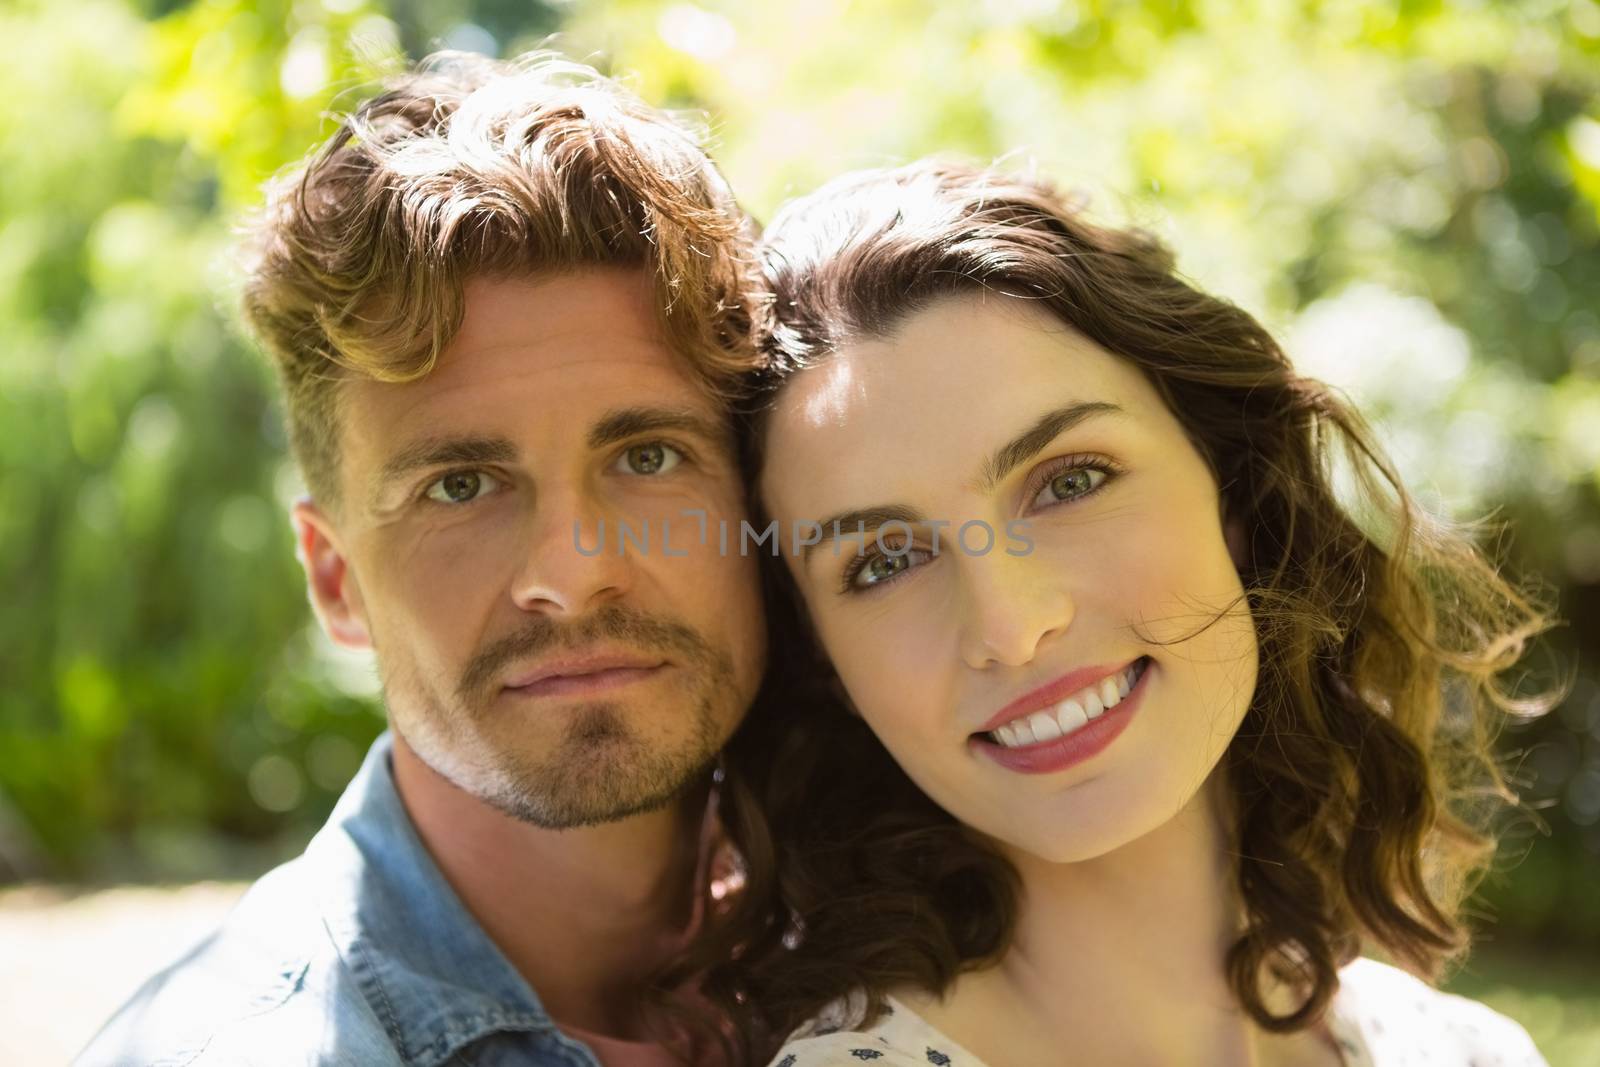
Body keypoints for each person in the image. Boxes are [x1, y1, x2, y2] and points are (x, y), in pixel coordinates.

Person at [695, 161, 1560, 1065]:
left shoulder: (1461, 1050)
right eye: (884, 560)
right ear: (828, 662)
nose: (1010, 624)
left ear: (1232, 489)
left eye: (1069, 481)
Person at [78, 51, 772, 1067]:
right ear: (335, 579)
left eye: (648, 455)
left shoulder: (932, 950)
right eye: (460, 484)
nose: (574, 572)